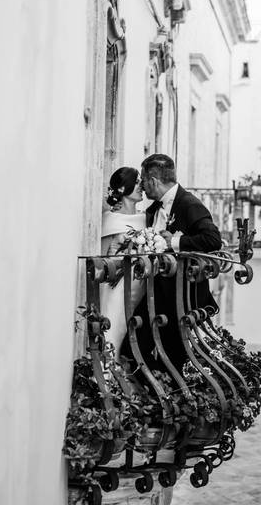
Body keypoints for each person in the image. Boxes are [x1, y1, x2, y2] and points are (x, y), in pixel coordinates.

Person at [120, 153, 221, 371]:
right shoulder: (153, 209)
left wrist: (174, 241)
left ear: (153, 181)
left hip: (180, 297)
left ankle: (173, 398)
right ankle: (155, 396)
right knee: (135, 346)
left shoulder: (189, 204)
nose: (143, 187)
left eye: (144, 181)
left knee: (173, 354)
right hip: (155, 293)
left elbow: (213, 239)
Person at [100, 167, 146, 351]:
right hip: (117, 286)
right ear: (122, 189)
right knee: (115, 329)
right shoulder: (111, 219)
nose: (141, 186)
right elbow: (101, 259)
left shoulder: (145, 217)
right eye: (136, 182)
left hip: (141, 284)